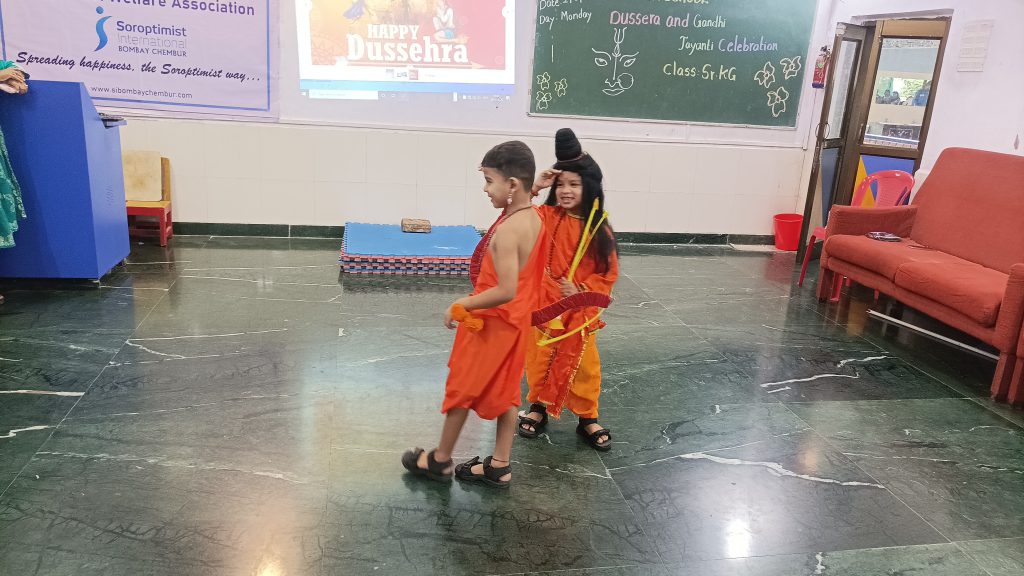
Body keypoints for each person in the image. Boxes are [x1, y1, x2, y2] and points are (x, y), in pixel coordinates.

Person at [402, 141, 546, 488]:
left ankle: (439, 460)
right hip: (515, 325)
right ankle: (499, 465)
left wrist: (465, 303)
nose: (485, 188)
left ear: (512, 185)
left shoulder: (509, 230)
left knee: (462, 389)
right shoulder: (533, 218)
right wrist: (534, 188)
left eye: (489, 180)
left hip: (492, 324)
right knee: (507, 391)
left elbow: (506, 289)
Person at [519, 129, 619, 452]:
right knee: (540, 358)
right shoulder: (546, 216)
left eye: (574, 184)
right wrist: (536, 187)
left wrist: (581, 290)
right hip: (545, 305)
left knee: (584, 366)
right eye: (560, 184)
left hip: (579, 310)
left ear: (589, 186)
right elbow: (518, 214)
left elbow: (608, 274)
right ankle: (537, 405)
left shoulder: (598, 228)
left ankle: (587, 416)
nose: (565, 191)